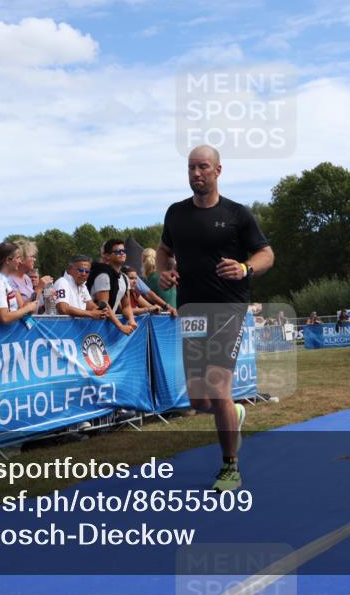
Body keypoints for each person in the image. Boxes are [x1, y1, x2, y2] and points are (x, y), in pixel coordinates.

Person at [155, 145, 274, 492]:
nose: (196, 173)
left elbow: (266, 253)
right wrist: (164, 273)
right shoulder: (176, 213)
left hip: (227, 309)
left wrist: (245, 268)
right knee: (199, 400)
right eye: (191, 167)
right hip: (192, 310)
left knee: (219, 385)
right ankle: (234, 413)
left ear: (218, 171)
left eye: (203, 167)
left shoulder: (237, 214)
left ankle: (229, 466)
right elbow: (163, 250)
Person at [88, 239, 137, 335]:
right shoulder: (103, 275)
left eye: (124, 251)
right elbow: (103, 305)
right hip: (93, 324)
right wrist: (121, 326)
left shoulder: (124, 278)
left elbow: (126, 306)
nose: (122, 253)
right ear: (107, 256)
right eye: (118, 251)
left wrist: (131, 320)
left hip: (107, 324)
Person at [0, 241, 39, 325]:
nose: (20, 261)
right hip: (0, 331)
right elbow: (4, 317)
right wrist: (27, 308)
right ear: (8, 260)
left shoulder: (3, 280)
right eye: (18, 258)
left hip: (7, 331)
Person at [52, 255, 108, 319]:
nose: (84, 274)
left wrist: (101, 312)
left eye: (87, 271)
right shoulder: (62, 282)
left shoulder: (82, 286)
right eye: (81, 270)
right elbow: (63, 308)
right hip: (60, 325)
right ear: (69, 269)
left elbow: (91, 306)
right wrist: (91, 314)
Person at [7, 237, 54, 305]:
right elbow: (23, 309)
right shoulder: (10, 280)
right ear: (21, 258)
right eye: (32, 256)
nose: (34, 259)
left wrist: (47, 301)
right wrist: (39, 288)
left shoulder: (27, 278)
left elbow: (34, 308)